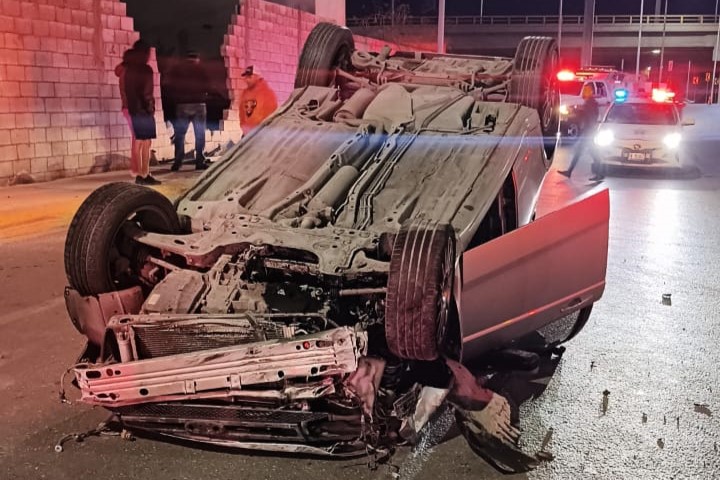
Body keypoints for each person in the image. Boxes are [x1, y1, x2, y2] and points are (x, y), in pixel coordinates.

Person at [124, 41, 160, 185]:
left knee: (139, 141)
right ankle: (144, 174)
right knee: (146, 143)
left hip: (134, 109)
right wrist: (150, 108)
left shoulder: (129, 70)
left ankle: (141, 174)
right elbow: (147, 93)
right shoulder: (145, 70)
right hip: (144, 110)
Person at [167, 51, 210, 171]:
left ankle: (178, 162)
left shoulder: (177, 70)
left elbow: (171, 86)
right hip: (198, 104)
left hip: (182, 105)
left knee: (180, 135)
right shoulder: (201, 70)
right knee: (200, 135)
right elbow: (208, 86)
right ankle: (199, 162)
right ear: (197, 59)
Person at [558, 85, 604, 181]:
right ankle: (570, 171)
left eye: (586, 90)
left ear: (590, 92)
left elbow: (590, 117)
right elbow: (585, 114)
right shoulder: (589, 103)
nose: (583, 92)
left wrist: (588, 130)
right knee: (588, 152)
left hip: (588, 132)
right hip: (588, 131)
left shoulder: (590, 103)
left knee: (589, 152)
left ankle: (599, 173)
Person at [115, 48, 138, 178]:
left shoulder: (124, 71)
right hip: (134, 108)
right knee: (139, 139)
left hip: (128, 108)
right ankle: (137, 169)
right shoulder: (130, 72)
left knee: (137, 139)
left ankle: (137, 169)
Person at [239, 66, 278, 134]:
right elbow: (242, 113)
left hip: (261, 135)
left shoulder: (267, 94)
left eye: (250, 77)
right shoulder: (244, 94)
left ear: (257, 77)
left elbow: (272, 115)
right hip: (247, 134)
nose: (247, 80)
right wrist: (243, 127)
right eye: (246, 77)